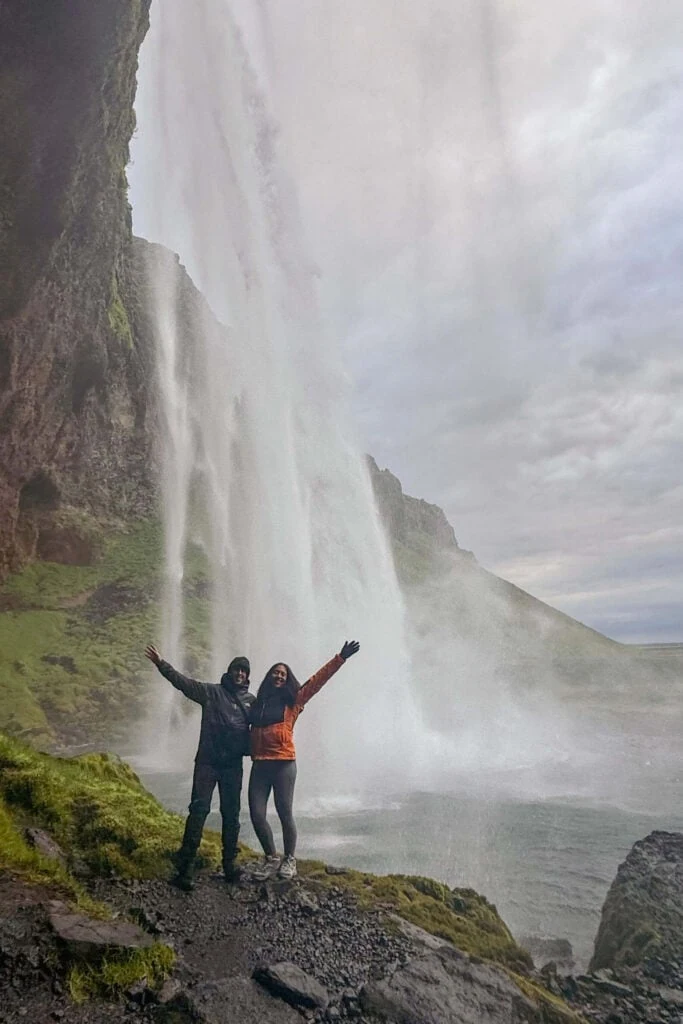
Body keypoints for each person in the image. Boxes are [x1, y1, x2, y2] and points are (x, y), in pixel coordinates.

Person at [248, 639, 360, 881]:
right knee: (256, 814)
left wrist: (339, 658)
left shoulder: (294, 700)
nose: (279, 677)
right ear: (268, 677)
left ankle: (290, 859)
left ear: (287, 680)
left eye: (283, 674)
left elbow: (317, 681)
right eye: (275, 673)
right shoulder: (257, 704)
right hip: (260, 765)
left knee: (284, 812)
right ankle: (271, 857)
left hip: (283, 764)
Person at [144, 644, 254, 890]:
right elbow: (184, 684)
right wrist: (162, 664)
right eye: (237, 670)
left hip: (232, 767)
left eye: (244, 671)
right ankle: (185, 869)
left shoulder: (251, 702)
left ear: (247, 676)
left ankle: (230, 865)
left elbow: (266, 725)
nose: (239, 674)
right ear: (230, 672)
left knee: (232, 814)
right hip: (207, 762)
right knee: (198, 811)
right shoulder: (210, 692)